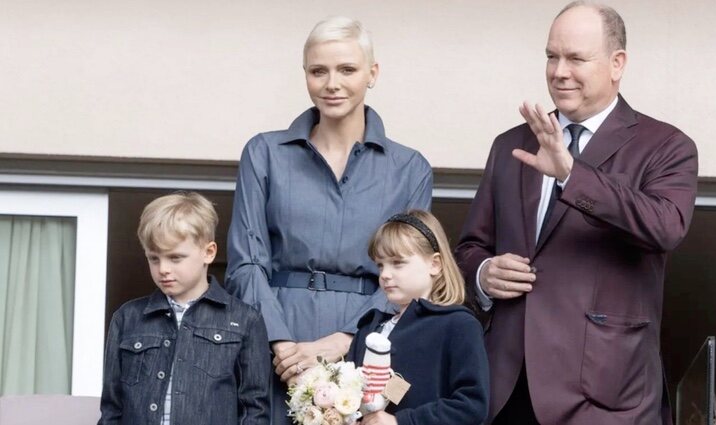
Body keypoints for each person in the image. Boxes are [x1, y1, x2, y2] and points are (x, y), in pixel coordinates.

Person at [455, 2, 699, 424]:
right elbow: (471, 246)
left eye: (575, 58)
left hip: (607, 395)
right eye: (552, 56)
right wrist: (483, 273)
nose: (559, 71)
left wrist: (572, 174)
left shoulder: (666, 146)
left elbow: (665, 226)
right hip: (507, 387)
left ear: (617, 63)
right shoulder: (511, 144)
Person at [224, 16, 433, 423]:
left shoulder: (411, 169)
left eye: (347, 69)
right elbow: (246, 261)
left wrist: (343, 341)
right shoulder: (264, 154)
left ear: (373, 74)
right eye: (318, 71)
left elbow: (408, 275)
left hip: (368, 343)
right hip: (273, 343)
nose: (331, 83)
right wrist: (281, 343)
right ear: (305, 75)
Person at [98, 192, 270, 425]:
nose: (163, 269)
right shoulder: (127, 319)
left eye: (175, 258)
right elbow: (112, 409)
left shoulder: (245, 320)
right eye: (154, 258)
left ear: (209, 252)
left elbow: (255, 411)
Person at [348, 210, 490, 425]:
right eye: (380, 265)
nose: (385, 274)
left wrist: (402, 422)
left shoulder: (458, 325)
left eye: (397, 262)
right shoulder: (369, 329)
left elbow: (471, 405)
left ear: (435, 264)